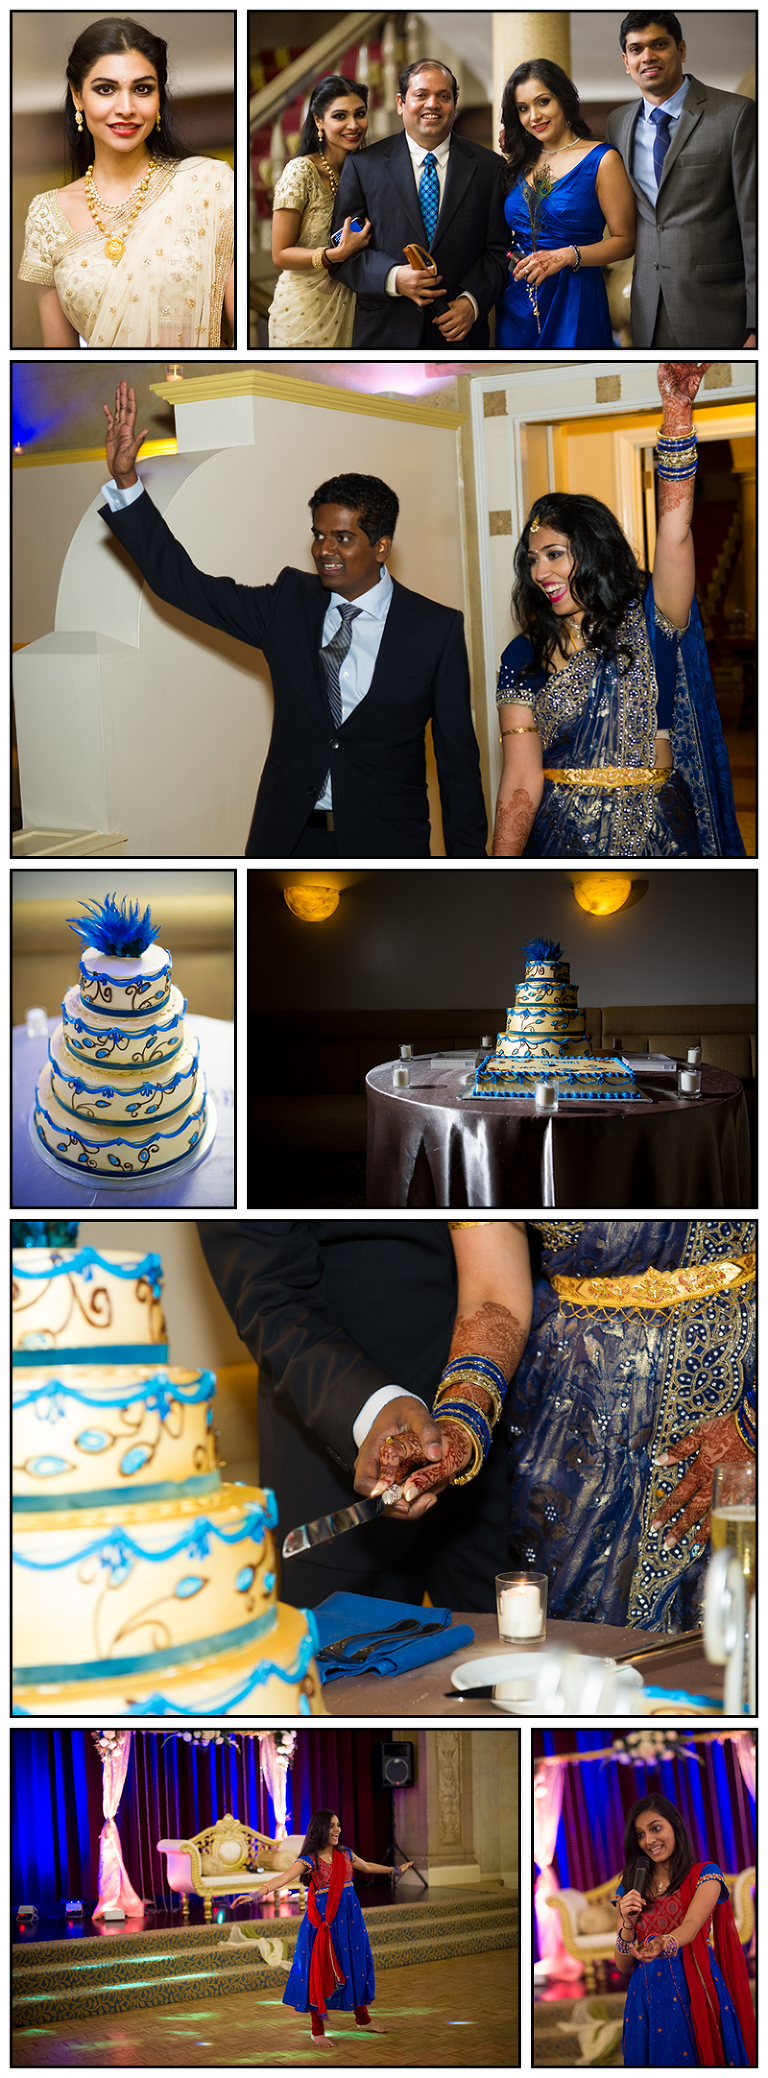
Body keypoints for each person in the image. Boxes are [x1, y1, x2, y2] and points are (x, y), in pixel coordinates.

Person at [198, 1219, 755, 1631]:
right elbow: (271, 1294)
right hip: (352, 1451)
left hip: (521, 1449)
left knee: (517, 1678)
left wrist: (753, 1421)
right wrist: (433, 1415)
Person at [98, 384, 488, 858]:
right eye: (319, 535)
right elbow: (184, 585)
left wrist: (468, 866)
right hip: (287, 839)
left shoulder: (435, 629)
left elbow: (457, 764)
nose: (324, 550)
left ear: (381, 546)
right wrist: (127, 485)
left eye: (342, 538)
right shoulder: (287, 604)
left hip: (387, 846)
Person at [197, 1219, 532, 1611]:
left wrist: (466, 1416)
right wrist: (370, 1405)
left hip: (497, 1449)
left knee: (513, 1660)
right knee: (344, 1668)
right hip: (334, 1463)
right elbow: (268, 1290)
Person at [492, 361, 744, 858]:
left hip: (660, 835)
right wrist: (500, 868)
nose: (540, 573)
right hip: (561, 839)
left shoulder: (653, 621)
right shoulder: (522, 654)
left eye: (555, 554)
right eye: (532, 561)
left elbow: (675, 531)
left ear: (594, 551)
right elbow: (521, 780)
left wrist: (676, 414)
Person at [18, 16, 234, 349]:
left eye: (142, 89)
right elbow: (59, 353)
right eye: (105, 89)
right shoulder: (46, 215)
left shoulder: (209, 185)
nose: (126, 108)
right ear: (77, 96)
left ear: (159, 96)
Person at [329, 60, 509, 348]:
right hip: (385, 334)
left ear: (455, 103)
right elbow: (342, 254)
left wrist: (471, 302)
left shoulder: (489, 168)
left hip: (459, 335)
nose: (433, 104)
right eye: (421, 95)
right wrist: (393, 277)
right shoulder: (364, 167)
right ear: (401, 103)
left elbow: (499, 251)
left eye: (444, 96)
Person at [605, 12, 755, 350]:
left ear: (681, 49)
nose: (647, 57)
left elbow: (755, 225)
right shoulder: (618, 123)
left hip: (720, 311)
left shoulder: (735, 115)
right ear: (626, 62)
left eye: (659, 44)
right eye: (636, 49)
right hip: (646, 311)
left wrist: (758, 323)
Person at [496, 60, 635, 349]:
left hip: (575, 297)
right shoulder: (520, 162)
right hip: (517, 300)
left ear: (564, 99)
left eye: (543, 102)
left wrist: (565, 256)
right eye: (523, 108)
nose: (534, 116)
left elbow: (626, 241)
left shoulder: (602, 160)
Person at [614, 1794, 755, 2065]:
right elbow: (622, 1964)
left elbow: (690, 1927)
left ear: (675, 1825)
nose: (649, 1840)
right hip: (646, 1995)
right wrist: (628, 1925)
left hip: (695, 1986)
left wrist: (662, 1942)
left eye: (656, 1828)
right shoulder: (631, 1887)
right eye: (641, 1834)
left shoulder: (705, 1875)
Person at [251, 1811, 412, 2041]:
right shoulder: (310, 1859)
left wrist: (395, 1870)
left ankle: (363, 2019)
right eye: (331, 1826)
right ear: (319, 1830)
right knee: (318, 1970)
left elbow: (366, 1867)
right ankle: (317, 2031)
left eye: (338, 1825)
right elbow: (283, 1879)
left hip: (350, 1920)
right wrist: (257, 1894)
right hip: (323, 1924)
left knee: (356, 1965)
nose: (337, 1830)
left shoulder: (345, 1854)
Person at [268, 75, 372, 349]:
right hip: (303, 310)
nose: (353, 125)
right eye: (340, 116)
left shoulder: (365, 168)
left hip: (352, 302)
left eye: (360, 114)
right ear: (318, 121)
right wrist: (333, 255)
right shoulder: (300, 171)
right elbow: (280, 254)